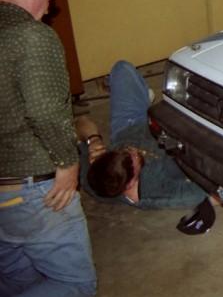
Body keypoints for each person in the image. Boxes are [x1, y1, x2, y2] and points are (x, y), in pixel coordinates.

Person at [0, 0, 97, 297]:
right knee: (75, 283)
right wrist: (67, 164)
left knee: (17, 278)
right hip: (33, 186)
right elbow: (44, 112)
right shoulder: (32, 36)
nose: (51, 1)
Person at [76, 61, 215, 233]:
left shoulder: (93, 177)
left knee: (121, 69)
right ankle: (148, 103)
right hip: (172, 134)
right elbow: (210, 193)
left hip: (129, 125)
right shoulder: (159, 191)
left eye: (123, 152)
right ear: (130, 185)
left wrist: (93, 139)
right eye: (133, 158)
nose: (133, 150)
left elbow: (81, 123)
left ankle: (144, 100)